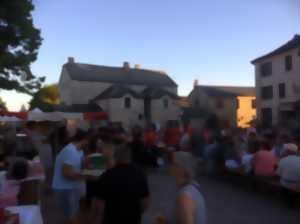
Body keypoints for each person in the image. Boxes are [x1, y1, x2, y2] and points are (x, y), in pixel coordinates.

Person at [94, 144, 150, 224]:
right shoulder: (140, 174)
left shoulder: (107, 175)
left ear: (115, 157)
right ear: (130, 157)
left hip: (111, 219)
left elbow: (99, 206)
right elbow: (145, 203)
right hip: (133, 219)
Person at [52, 129, 91, 224]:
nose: (89, 143)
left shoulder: (79, 150)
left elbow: (80, 165)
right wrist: (88, 176)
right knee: (71, 217)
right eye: (88, 140)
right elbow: (67, 174)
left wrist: (90, 164)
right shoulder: (70, 151)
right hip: (66, 188)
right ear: (84, 140)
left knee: (75, 214)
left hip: (73, 187)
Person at [160, 151, 206, 224]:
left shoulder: (185, 196)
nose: (170, 165)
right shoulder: (193, 187)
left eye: (173, 163)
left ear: (181, 168)